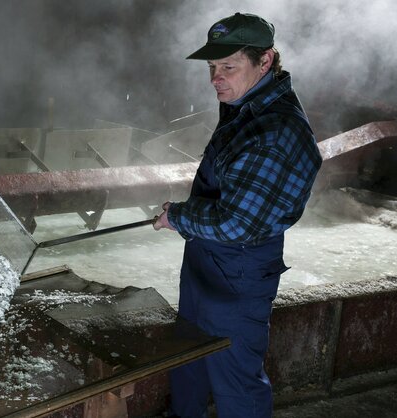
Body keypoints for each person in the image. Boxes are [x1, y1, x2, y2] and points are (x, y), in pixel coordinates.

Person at [152, 12, 322, 418]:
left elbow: (236, 223)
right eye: (212, 68)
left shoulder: (275, 131)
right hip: (206, 262)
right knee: (188, 363)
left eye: (228, 66)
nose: (215, 78)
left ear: (265, 61)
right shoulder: (245, 106)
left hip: (238, 274)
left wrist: (177, 216)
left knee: (236, 384)